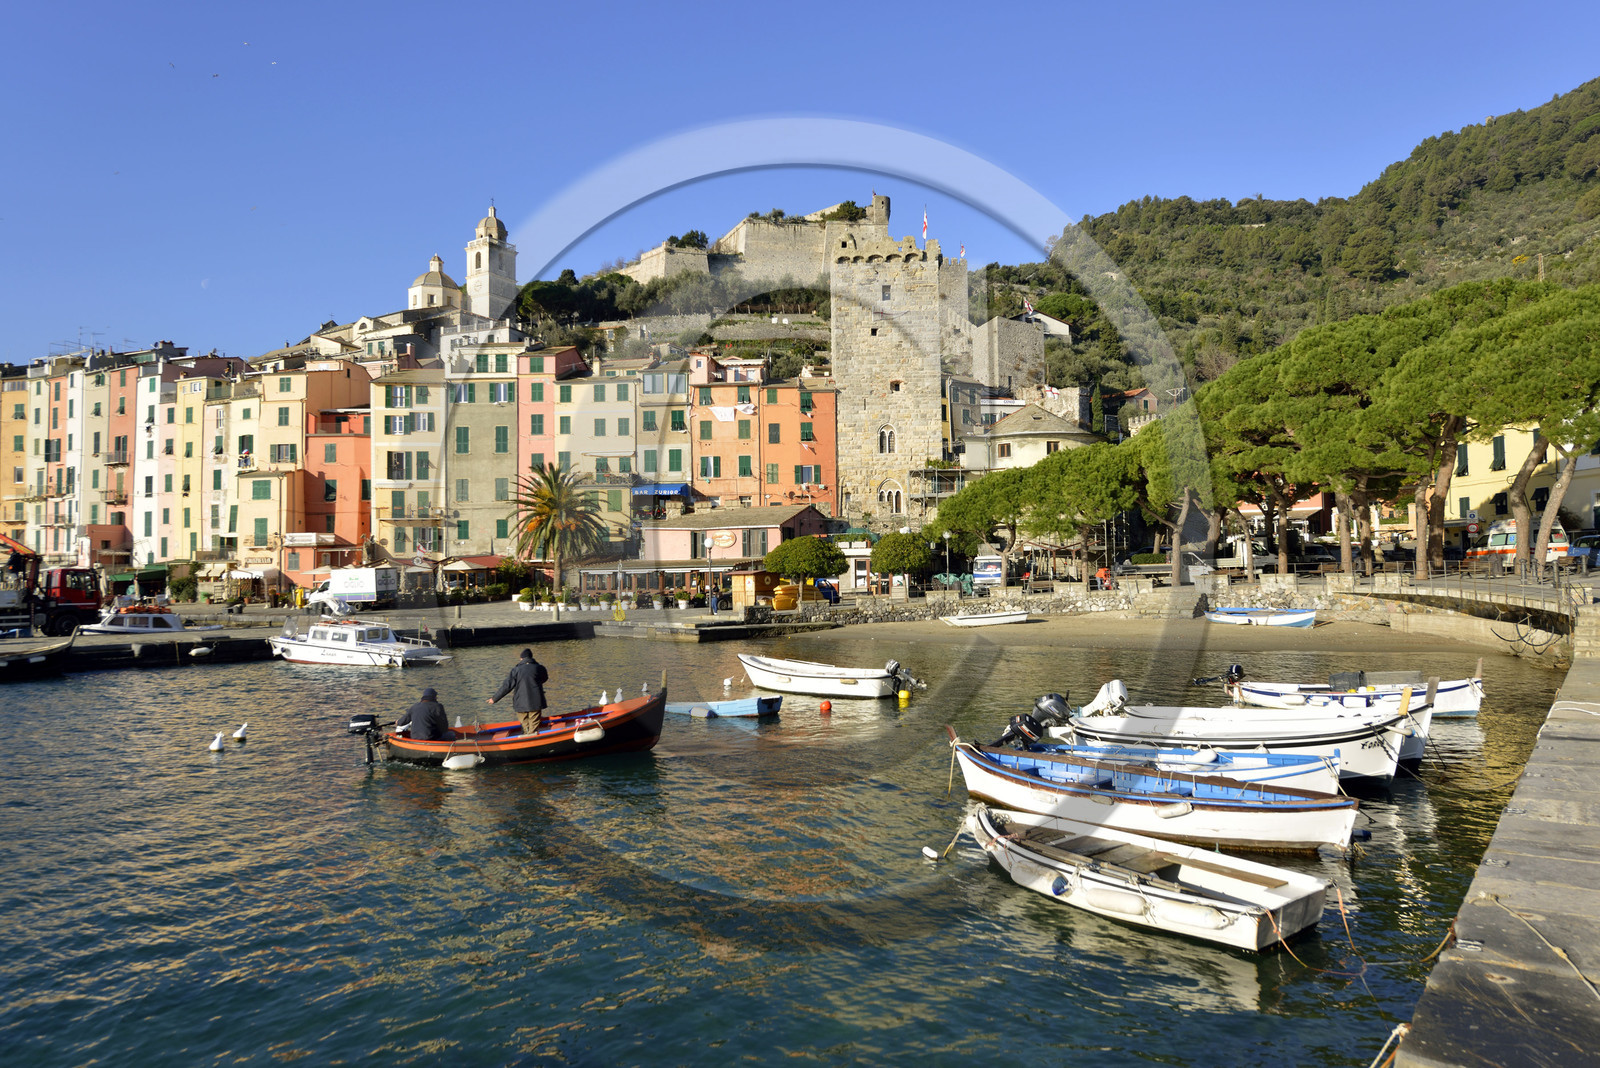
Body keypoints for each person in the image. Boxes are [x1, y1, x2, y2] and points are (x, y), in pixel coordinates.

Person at [488, 647, 549, 734]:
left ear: (521, 658)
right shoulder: (540, 668)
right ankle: (532, 737)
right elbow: (544, 678)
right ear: (531, 657)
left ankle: (526, 735)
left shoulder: (516, 670)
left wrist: (494, 698)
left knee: (525, 724)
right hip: (536, 701)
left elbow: (507, 686)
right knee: (534, 725)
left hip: (520, 702)